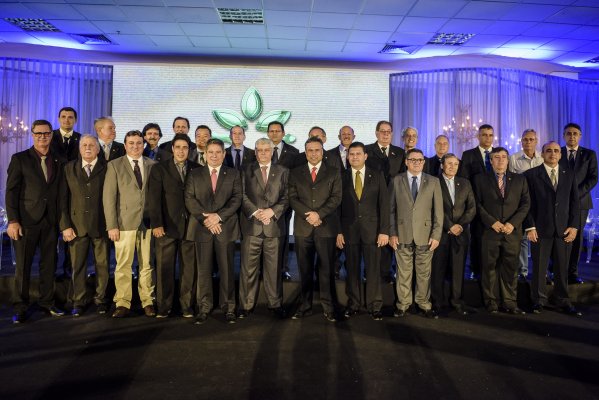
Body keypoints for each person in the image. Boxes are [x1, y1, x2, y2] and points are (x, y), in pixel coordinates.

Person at [6, 119, 66, 323]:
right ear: (32, 135)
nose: (42, 137)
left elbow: (60, 193)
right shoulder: (20, 159)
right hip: (26, 222)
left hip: (50, 221)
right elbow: (11, 192)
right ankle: (20, 306)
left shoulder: (59, 159)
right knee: (23, 266)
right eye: (38, 133)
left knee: (49, 265)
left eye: (46, 133)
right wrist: (13, 220)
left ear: (51, 135)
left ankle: (47, 302)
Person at [185, 138, 241, 325]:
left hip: (225, 228)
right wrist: (207, 220)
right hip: (202, 229)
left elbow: (236, 199)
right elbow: (190, 199)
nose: (214, 156)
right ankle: (204, 307)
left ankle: (229, 307)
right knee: (203, 271)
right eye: (211, 152)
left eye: (218, 152)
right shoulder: (194, 174)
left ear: (224, 154)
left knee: (227, 270)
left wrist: (218, 217)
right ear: (205, 154)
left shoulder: (233, 174)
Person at [103, 130, 157, 318]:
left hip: (148, 223)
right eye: (131, 143)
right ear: (125, 145)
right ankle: (122, 302)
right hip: (123, 223)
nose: (135, 146)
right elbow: (109, 198)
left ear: (143, 145)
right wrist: (112, 225)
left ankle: (147, 301)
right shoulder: (114, 165)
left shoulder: (153, 165)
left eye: (139, 143)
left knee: (147, 264)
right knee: (123, 265)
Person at [524, 141, 582, 317]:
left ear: (561, 155)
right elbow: (527, 204)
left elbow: (575, 203)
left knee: (562, 268)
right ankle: (538, 300)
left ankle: (562, 299)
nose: (553, 153)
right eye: (549, 150)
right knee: (539, 268)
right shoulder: (531, 175)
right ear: (542, 154)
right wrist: (530, 227)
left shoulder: (569, 174)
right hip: (540, 229)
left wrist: (574, 226)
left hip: (564, 230)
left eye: (556, 151)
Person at [288, 137, 342, 322]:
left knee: (326, 270)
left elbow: (336, 198)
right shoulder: (295, 172)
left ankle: (328, 307)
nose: (313, 153)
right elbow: (292, 198)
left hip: (325, 227)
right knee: (304, 270)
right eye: (310, 150)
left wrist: (319, 214)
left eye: (317, 150)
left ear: (322, 152)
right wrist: (309, 215)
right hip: (303, 228)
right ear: (305, 152)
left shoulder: (333, 172)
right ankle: (304, 306)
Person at [148, 134, 200, 318]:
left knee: (189, 269)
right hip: (166, 227)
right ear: (172, 149)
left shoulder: (197, 169)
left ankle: (187, 305)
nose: (181, 151)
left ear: (189, 150)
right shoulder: (159, 168)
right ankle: (164, 306)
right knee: (164, 268)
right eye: (178, 147)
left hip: (191, 227)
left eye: (185, 147)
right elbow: (153, 199)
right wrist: (157, 224)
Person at [473, 147, 530, 315]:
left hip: (512, 232)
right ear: (491, 161)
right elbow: (477, 204)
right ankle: (491, 302)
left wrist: (512, 223)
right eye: (496, 157)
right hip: (489, 232)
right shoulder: (480, 179)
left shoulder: (520, 179)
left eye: (504, 157)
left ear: (508, 160)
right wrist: (492, 222)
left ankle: (510, 302)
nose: (500, 160)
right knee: (488, 268)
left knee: (511, 268)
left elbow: (525, 204)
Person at [336, 142, 389, 320]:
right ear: (347, 157)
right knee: (352, 270)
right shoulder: (341, 176)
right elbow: (336, 207)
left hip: (373, 232)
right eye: (351, 154)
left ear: (365, 156)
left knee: (373, 269)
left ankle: (375, 305)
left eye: (358, 154)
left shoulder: (377, 175)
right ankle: (354, 304)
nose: (355, 157)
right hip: (349, 231)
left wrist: (384, 231)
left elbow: (384, 204)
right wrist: (338, 231)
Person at [59, 134, 110, 316]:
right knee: (77, 266)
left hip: (101, 225)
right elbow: (62, 200)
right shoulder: (68, 168)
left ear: (98, 149)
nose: (88, 148)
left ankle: (101, 299)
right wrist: (65, 225)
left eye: (91, 145)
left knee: (102, 265)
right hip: (76, 226)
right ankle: (78, 301)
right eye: (84, 145)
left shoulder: (108, 167)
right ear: (79, 149)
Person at [389, 148, 443, 319]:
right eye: (413, 159)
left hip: (426, 235)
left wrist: (436, 235)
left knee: (424, 273)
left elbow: (438, 212)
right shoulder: (396, 180)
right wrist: (392, 233)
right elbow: (390, 210)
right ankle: (403, 304)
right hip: (402, 234)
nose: (416, 162)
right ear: (406, 162)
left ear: (424, 162)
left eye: (420, 160)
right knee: (403, 272)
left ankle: (424, 303)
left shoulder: (433, 181)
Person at [238, 138, 288, 319]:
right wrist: (255, 212)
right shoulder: (245, 170)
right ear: (255, 152)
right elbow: (241, 195)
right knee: (248, 269)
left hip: (273, 227)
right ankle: (246, 305)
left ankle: (275, 304)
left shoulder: (283, 171)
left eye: (267, 150)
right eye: (260, 150)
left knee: (273, 270)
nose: (264, 153)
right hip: (252, 226)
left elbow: (287, 196)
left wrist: (272, 212)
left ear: (272, 152)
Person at [430, 153, 476, 315]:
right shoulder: (433, 181)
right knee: (438, 270)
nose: (452, 167)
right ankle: (437, 303)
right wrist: (450, 226)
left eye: (455, 164)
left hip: (460, 234)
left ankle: (457, 302)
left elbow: (472, 208)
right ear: (442, 165)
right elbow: (433, 208)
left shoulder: (465, 183)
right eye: (449, 163)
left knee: (458, 271)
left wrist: (460, 225)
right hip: (440, 234)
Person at [365, 120, 406, 284]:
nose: (385, 134)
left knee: (389, 234)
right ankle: (370, 272)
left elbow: (403, 177)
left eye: (388, 131)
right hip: (372, 201)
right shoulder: (367, 150)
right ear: (376, 133)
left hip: (393, 201)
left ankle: (386, 272)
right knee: (372, 237)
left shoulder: (400, 152)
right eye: (382, 131)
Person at [559, 122, 598, 284]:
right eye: (568, 133)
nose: (572, 136)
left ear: (580, 136)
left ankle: (572, 273)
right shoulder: (557, 152)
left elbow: (593, 178)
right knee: (560, 236)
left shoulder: (589, 154)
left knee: (577, 238)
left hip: (581, 203)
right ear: (564, 136)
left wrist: (576, 194)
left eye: (575, 133)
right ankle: (557, 270)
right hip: (560, 202)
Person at [458, 124, 495, 280]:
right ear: (478, 136)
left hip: (495, 203)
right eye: (484, 135)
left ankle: (492, 270)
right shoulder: (468, 155)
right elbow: (464, 179)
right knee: (477, 237)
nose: (487, 138)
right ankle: (475, 268)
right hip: (475, 202)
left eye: (490, 135)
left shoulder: (499, 154)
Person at [509, 129, 544, 281]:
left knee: (540, 239)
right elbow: (510, 181)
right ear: (521, 141)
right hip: (521, 202)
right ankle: (522, 271)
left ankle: (541, 272)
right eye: (525, 139)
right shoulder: (513, 159)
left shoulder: (543, 158)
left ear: (536, 141)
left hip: (540, 203)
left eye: (531, 139)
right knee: (522, 238)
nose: (528, 142)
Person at [267, 121, 299, 281]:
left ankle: (283, 268)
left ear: (283, 133)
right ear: (268, 133)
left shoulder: (294, 152)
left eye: (277, 131)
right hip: (264, 203)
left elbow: (295, 179)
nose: (274, 133)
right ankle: (265, 269)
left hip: (284, 203)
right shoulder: (261, 150)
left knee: (284, 236)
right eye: (271, 131)